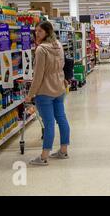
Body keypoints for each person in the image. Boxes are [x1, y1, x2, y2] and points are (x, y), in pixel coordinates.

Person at [26, 21, 70, 166]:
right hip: (59, 88)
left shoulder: (41, 50)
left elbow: (38, 75)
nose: (36, 34)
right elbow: (62, 66)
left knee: (49, 123)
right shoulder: (58, 45)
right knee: (61, 119)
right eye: (36, 31)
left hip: (45, 90)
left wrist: (30, 94)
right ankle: (63, 151)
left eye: (40, 31)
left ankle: (44, 156)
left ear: (47, 32)